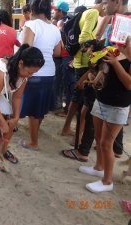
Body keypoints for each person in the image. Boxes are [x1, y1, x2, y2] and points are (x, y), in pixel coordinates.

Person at [78, 0, 131, 193]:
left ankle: (107, 182)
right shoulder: (112, 30)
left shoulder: (126, 39)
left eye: (107, 2)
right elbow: (103, 64)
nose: (103, 5)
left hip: (118, 102)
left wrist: (116, 62)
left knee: (106, 143)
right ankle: (99, 168)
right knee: (99, 137)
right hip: (103, 96)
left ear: (117, 2)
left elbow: (129, 84)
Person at [18, 0, 62, 150]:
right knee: (40, 106)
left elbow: (25, 50)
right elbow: (57, 52)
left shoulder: (31, 25)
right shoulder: (55, 28)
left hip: (34, 72)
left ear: (32, 11)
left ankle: (33, 143)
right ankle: (35, 133)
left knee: (32, 111)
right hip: (49, 73)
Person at [60, 0, 105, 137]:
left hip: (80, 60)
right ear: (103, 3)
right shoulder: (94, 12)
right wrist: (95, 49)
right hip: (86, 62)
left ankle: (67, 128)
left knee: (77, 97)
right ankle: (79, 137)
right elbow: (84, 37)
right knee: (86, 101)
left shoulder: (87, 12)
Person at [52, 1, 70, 109]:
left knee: (57, 81)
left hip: (61, 56)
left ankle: (56, 103)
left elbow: (59, 40)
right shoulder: (68, 21)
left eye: (55, 10)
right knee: (61, 81)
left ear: (60, 12)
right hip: (65, 56)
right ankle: (58, 102)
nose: (53, 11)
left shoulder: (61, 23)